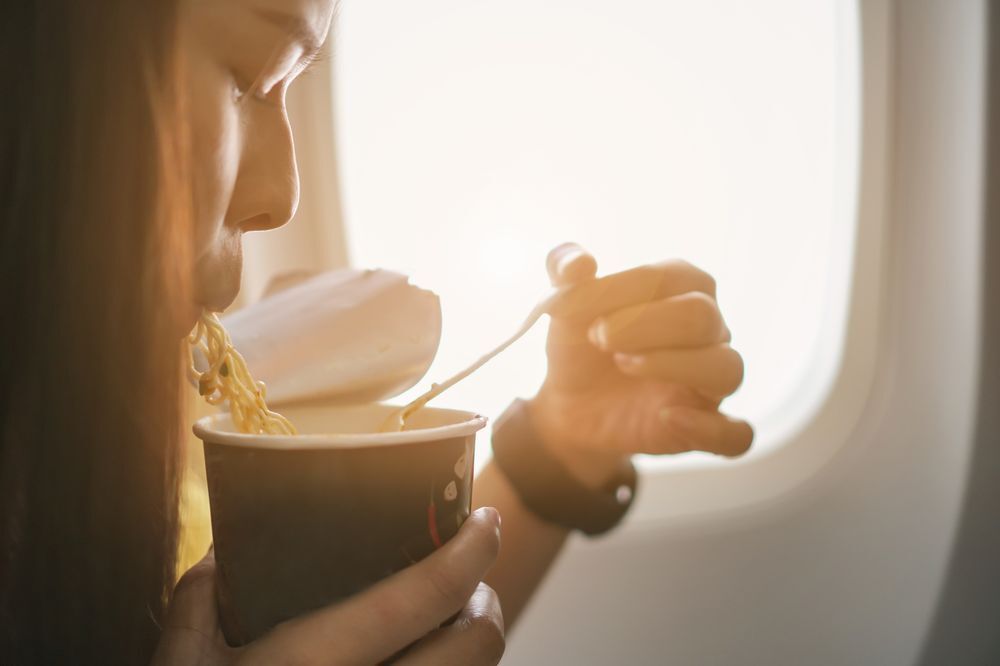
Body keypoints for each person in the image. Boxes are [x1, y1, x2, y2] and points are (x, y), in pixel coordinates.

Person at [0, 0, 752, 663]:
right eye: (249, 77)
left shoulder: (158, 403)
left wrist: (559, 447)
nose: (283, 198)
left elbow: (359, 631)